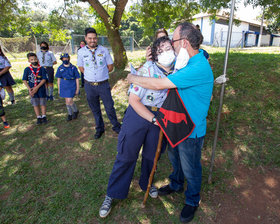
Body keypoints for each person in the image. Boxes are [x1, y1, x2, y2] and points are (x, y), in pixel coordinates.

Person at [127, 22, 214, 223]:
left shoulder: (197, 67)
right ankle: (176, 184)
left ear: (183, 42)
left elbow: (158, 84)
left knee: (191, 167)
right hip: (175, 124)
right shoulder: (187, 62)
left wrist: (133, 77)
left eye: (173, 41)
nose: (171, 45)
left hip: (191, 130)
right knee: (175, 159)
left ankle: (192, 200)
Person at [99, 36, 175, 218]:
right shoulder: (147, 69)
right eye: (161, 50)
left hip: (159, 117)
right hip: (139, 114)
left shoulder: (177, 72)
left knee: (151, 155)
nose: (166, 53)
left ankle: (146, 183)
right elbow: (133, 100)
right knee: (126, 155)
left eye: (168, 48)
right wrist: (153, 119)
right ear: (155, 55)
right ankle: (113, 193)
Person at [77, 27, 121, 139]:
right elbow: (81, 67)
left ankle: (116, 126)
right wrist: (90, 75)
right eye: (90, 38)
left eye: (94, 38)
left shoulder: (104, 50)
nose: (92, 40)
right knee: (95, 108)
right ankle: (99, 128)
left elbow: (110, 66)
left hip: (103, 85)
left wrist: (101, 73)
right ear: (86, 38)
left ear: (97, 39)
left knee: (109, 107)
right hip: (89, 86)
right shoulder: (81, 52)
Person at [22, 53, 48, 125]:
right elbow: (24, 80)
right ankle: (38, 117)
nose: (34, 61)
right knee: (35, 103)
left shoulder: (42, 69)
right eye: (32, 60)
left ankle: (44, 116)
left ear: (37, 59)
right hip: (32, 90)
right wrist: (29, 89)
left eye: (35, 59)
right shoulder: (27, 69)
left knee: (43, 103)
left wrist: (37, 87)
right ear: (29, 61)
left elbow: (44, 79)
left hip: (41, 89)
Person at [56, 53, 80, 121]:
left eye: (66, 58)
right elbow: (58, 79)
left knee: (69, 100)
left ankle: (74, 111)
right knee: (67, 100)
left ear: (69, 58)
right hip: (64, 85)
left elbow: (77, 78)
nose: (65, 60)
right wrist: (59, 88)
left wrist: (77, 88)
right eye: (63, 59)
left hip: (71, 85)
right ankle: (70, 113)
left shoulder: (73, 67)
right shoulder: (60, 68)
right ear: (61, 59)